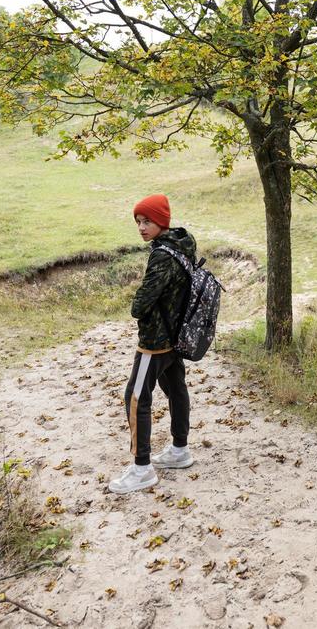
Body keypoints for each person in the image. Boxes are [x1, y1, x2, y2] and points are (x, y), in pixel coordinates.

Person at [109, 193, 197, 494]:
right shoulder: (182, 244)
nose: (142, 227)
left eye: (147, 221)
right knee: (175, 389)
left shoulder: (161, 255)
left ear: (162, 220)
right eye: (138, 222)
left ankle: (141, 468)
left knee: (135, 397)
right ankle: (179, 449)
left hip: (156, 339)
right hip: (178, 335)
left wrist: (138, 304)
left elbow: (141, 303)